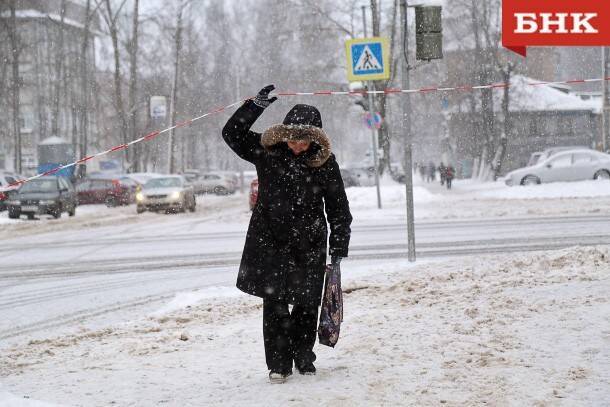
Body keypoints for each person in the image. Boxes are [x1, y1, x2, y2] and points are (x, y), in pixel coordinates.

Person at [222, 85, 352, 384]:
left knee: (307, 303)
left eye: (303, 141)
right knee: (275, 304)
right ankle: (279, 364)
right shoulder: (266, 152)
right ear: (284, 135)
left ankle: (304, 357)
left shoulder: (324, 163)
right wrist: (254, 106)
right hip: (270, 241)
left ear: (314, 140)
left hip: (310, 242)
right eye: (292, 139)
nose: (296, 146)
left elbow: (338, 207)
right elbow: (232, 134)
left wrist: (339, 243)